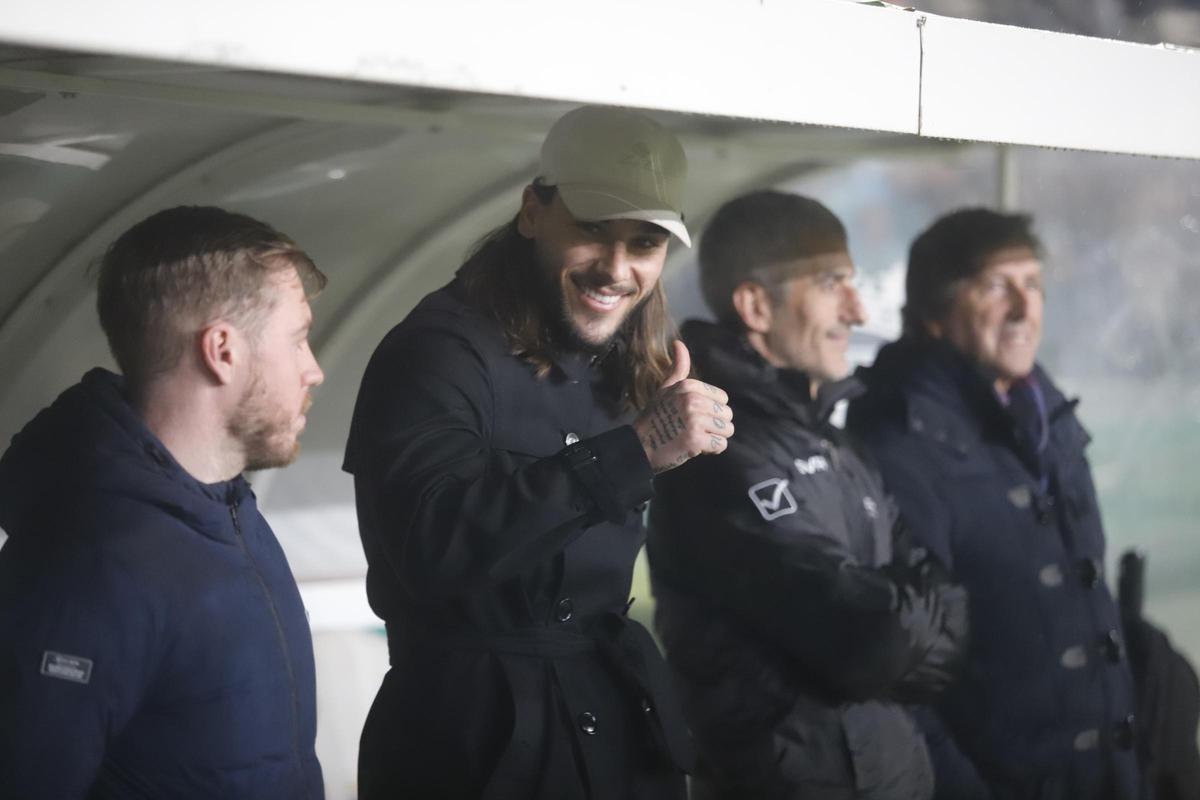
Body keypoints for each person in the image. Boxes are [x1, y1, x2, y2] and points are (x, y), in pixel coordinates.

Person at [342, 105, 732, 799]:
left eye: (644, 242)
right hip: (470, 749)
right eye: (590, 231)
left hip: (609, 728)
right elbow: (432, 550)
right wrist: (636, 449)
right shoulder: (436, 353)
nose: (616, 268)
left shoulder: (626, 359)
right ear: (531, 211)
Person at [647, 190, 967, 800]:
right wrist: (906, 622)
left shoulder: (831, 434)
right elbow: (867, 641)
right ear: (755, 306)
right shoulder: (716, 447)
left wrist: (906, 621)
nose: (857, 308)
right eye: (831, 283)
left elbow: (952, 621)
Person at [0, 206, 327, 799]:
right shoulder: (92, 564)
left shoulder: (224, 511)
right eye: (299, 340)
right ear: (222, 350)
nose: (314, 371)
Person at [846, 208, 1142, 799]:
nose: (1023, 308)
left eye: (1032, 285)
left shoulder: (1048, 420)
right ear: (934, 312)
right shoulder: (897, 446)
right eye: (995, 287)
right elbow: (898, 677)